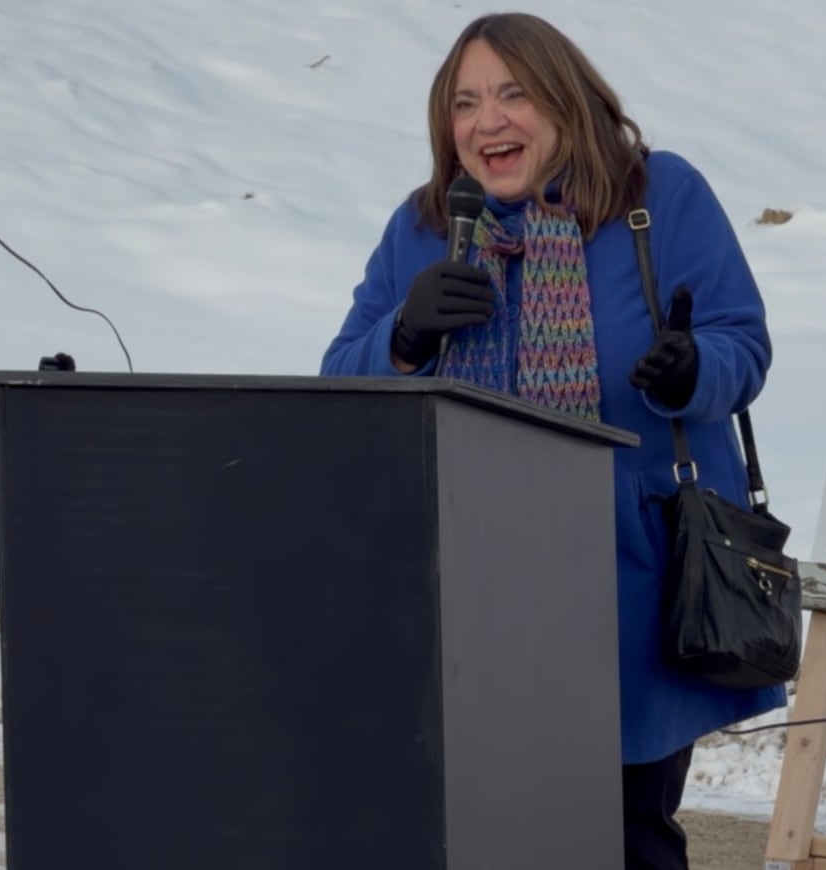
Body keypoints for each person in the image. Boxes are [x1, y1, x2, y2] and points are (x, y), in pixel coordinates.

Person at [319, 12, 784, 868]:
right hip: (465, 580)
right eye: (464, 103)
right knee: (476, 826)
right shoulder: (422, 228)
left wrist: (691, 368)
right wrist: (406, 335)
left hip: (624, 574)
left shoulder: (658, 196)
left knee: (620, 828)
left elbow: (740, 344)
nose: (486, 121)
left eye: (512, 94)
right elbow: (339, 384)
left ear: (566, 101)